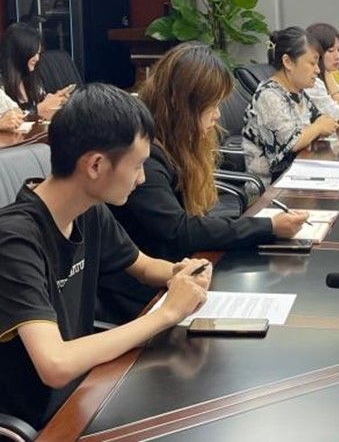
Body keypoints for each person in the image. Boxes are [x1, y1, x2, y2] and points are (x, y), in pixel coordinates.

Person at [0, 84, 211, 431]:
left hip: (87, 395)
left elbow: (143, 267)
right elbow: (55, 364)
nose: (142, 178)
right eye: (137, 165)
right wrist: (166, 314)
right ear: (96, 164)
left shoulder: (88, 211)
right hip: (43, 424)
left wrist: (183, 272)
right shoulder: (14, 239)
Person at [100, 43, 309, 322]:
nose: (218, 114)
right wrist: (267, 227)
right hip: (144, 296)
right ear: (183, 104)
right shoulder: (145, 159)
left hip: (179, 273)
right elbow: (179, 231)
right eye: (212, 105)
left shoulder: (176, 140)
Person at [242, 27, 338, 180]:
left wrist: (319, 126)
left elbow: (321, 119)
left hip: (298, 176)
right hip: (270, 186)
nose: (318, 70)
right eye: (312, 63)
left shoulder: (297, 92)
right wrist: (318, 127)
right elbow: (291, 143)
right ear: (287, 62)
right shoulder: (268, 95)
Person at [0, 22, 70, 121]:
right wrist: (39, 109)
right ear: (19, 53)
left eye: (38, 53)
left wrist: (55, 101)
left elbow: (42, 110)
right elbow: (11, 120)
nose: (37, 58)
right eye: (32, 53)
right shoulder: (2, 87)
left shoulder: (32, 77)